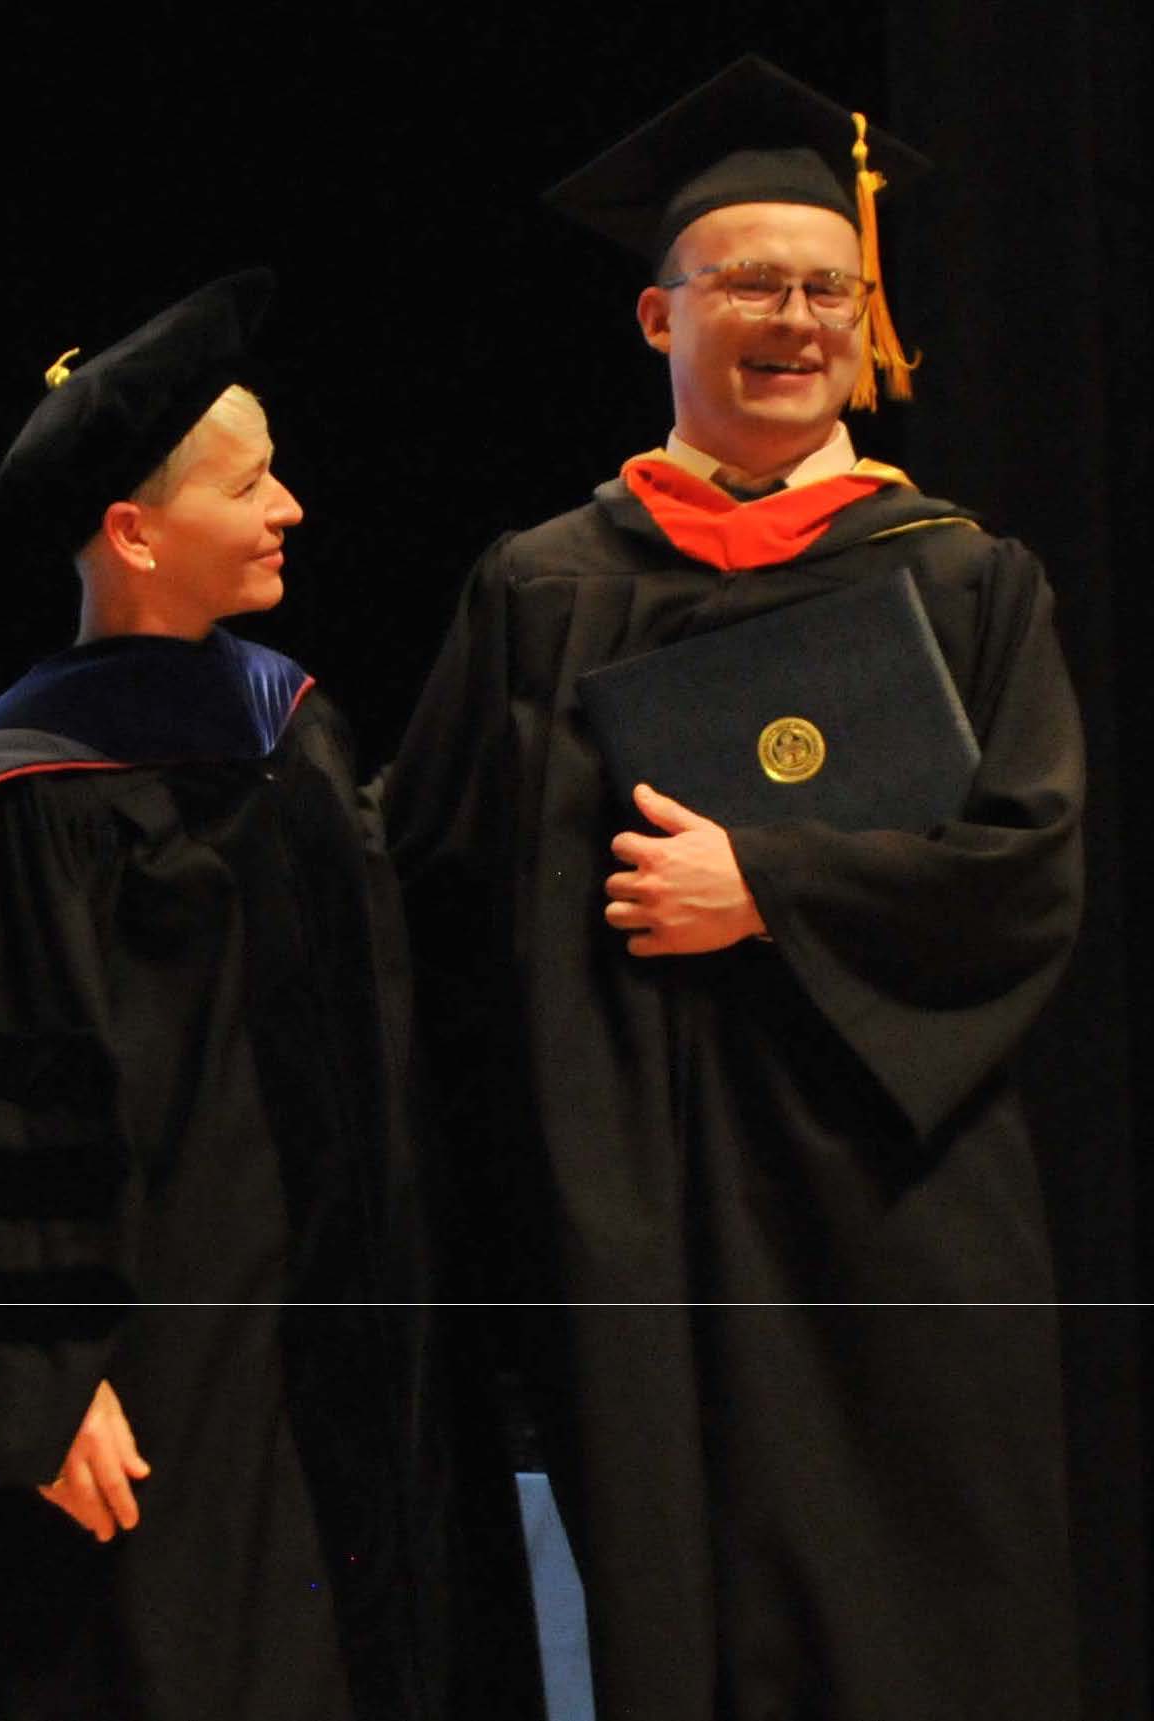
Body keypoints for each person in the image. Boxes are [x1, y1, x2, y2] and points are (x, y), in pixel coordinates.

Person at [384, 56, 1085, 1721]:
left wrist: (762, 882)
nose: (794, 320)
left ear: (870, 316)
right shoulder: (543, 586)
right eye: (750, 284)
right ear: (657, 319)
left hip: (890, 1196)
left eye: (828, 289)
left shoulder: (961, 574)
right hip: (633, 1202)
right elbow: (421, 866)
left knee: (931, 1605)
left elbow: (1027, 870)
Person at [0, 272, 445, 1721]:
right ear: (134, 530)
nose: (292, 507)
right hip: (148, 1374)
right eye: (250, 483)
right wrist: (42, 1377)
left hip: (323, 1336)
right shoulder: (30, 783)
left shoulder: (292, 725)